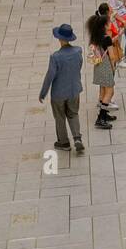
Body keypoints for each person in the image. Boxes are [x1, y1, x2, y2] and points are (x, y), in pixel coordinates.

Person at [39, 22, 85, 154]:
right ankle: (77, 138)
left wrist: (43, 92)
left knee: (59, 117)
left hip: (59, 93)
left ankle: (63, 142)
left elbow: (50, 76)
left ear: (60, 39)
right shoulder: (78, 51)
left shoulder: (56, 57)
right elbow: (79, 66)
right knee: (73, 113)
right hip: (74, 89)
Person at [87, 4, 121, 128]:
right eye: (108, 23)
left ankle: (104, 113)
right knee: (109, 92)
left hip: (98, 66)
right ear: (104, 26)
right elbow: (112, 56)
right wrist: (113, 67)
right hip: (106, 66)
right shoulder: (106, 38)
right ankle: (101, 118)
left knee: (103, 90)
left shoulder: (95, 37)